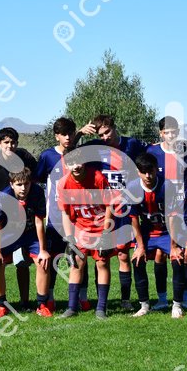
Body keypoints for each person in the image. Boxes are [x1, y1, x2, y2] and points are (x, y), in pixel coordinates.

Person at [79, 115, 147, 311]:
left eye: (107, 132)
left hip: (124, 210)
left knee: (123, 255)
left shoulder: (132, 144)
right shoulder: (95, 148)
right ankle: (102, 301)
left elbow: (153, 152)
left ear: (114, 127)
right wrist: (79, 133)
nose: (105, 137)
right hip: (101, 212)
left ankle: (125, 300)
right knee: (101, 257)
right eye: (101, 135)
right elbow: (70, 153)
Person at [146, 116, 187, 310]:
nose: (170, 135)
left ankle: (186, 298)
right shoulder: (151, 152)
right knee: (160, 254)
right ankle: (162, 299)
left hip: (184, 211)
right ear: (161, 134)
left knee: (186, 254)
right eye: (166, 132)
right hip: (161, 213)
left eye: (174, 132)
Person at [0, 127, 38, 309]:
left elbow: (35, 176)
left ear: (17, 143)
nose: (10, 146)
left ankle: (25, 302)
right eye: (6, 142)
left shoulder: (25, 158)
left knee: (22, 262)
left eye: (13, 142)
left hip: (21, 218)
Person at [37, 117, 91, 311]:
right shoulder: (48, 156)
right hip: (55, 218)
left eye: (70, 133)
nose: (67, 137)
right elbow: (37, 180)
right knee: (53, 258)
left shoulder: (79, 155)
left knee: (79, 258)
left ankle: (82, 298)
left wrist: (82, 133)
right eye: (63, 134)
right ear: (56, 136)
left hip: (79, 219)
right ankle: (50, 298)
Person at [128, 153, 186, 319]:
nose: (148, 176)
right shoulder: (132, 188)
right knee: (137, 260)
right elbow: (133, 219)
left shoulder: (167, 186)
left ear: (156, 169)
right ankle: (144, 305)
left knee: (177, 260)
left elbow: (173, 218)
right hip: (147, 233)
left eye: (151, 171)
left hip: (167, 232)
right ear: (138, 172)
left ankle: (177, 305)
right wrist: (140, 246)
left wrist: (174, 246)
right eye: (143, 172)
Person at [0, 168, 52, 319]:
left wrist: (43, 250)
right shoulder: (4, 197)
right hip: (8, 233)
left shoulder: (37, 192)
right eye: (19, 184)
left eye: (26, 184)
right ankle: (0, 306)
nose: (23, 188)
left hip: (30, 233)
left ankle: (41, 305)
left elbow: (39, 222)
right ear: (11, 184)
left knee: (43, 261)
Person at [57, 158, 115, 320]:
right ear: (66, 165)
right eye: (71, 163)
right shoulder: (63, 184)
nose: (76, 166)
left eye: (78, 162)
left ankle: (101, 308)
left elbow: (110, 205)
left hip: (101, 226)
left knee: (102, 263)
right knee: (76, 263)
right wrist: (69, 239)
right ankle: (72, 307)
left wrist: (106, 233)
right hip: (80, 228)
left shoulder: (97, 177)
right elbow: (65, 213)